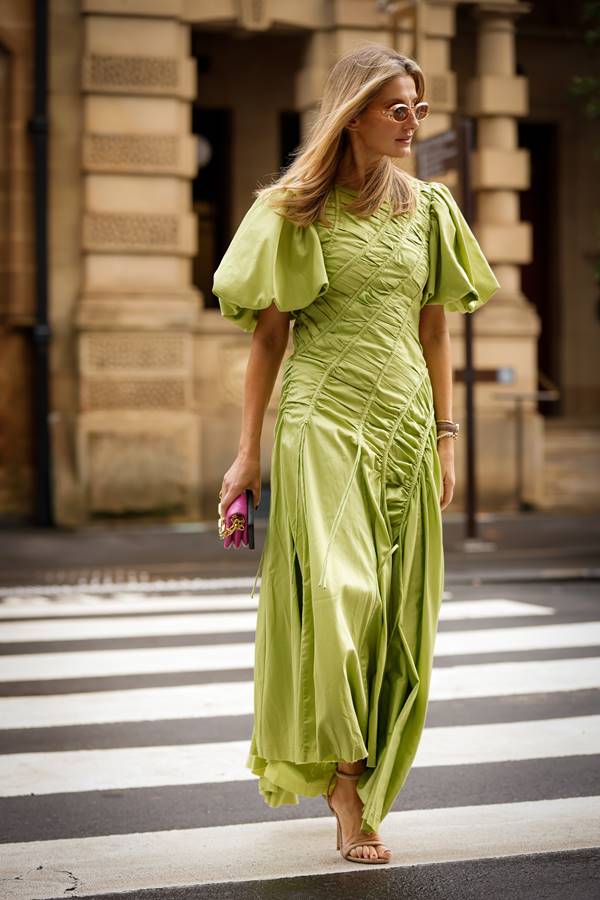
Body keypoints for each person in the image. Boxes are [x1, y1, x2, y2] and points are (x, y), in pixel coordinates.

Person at [213, 43, 500, 865]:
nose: (412, 122)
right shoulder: (293, 207)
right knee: (340, 594)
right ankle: (345, 783)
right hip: (321, 421)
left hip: (405, 423)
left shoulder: (432, 209)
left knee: (392, 613)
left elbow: (436, 327)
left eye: (418, 107)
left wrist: (446, 437)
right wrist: (247, 456)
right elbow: (269, 338)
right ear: (355, 113)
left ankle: (365, 780)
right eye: (396, 108)